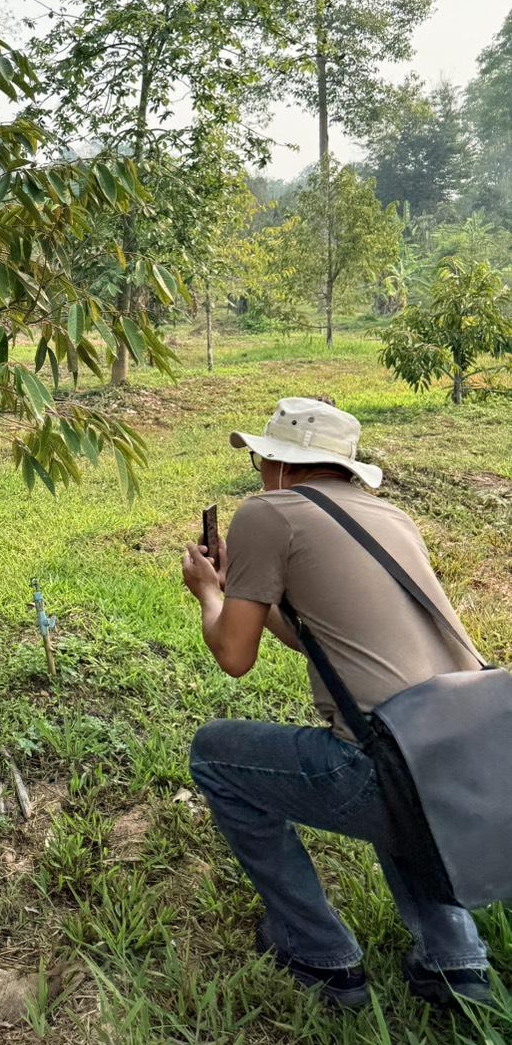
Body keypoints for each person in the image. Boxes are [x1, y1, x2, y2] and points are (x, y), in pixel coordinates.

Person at [181, 397, 491, 1011]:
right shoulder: (390, 517)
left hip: (388, 765)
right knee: (401, 752)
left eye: (261, 461)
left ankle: (319, 953)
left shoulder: (268, 511)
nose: (258, 474)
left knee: (215, 757)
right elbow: (324, 641)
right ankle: (455, 963)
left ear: (279, 463)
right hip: (469, 752)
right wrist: (245, 589)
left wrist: (208, 596)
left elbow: (233, 658)